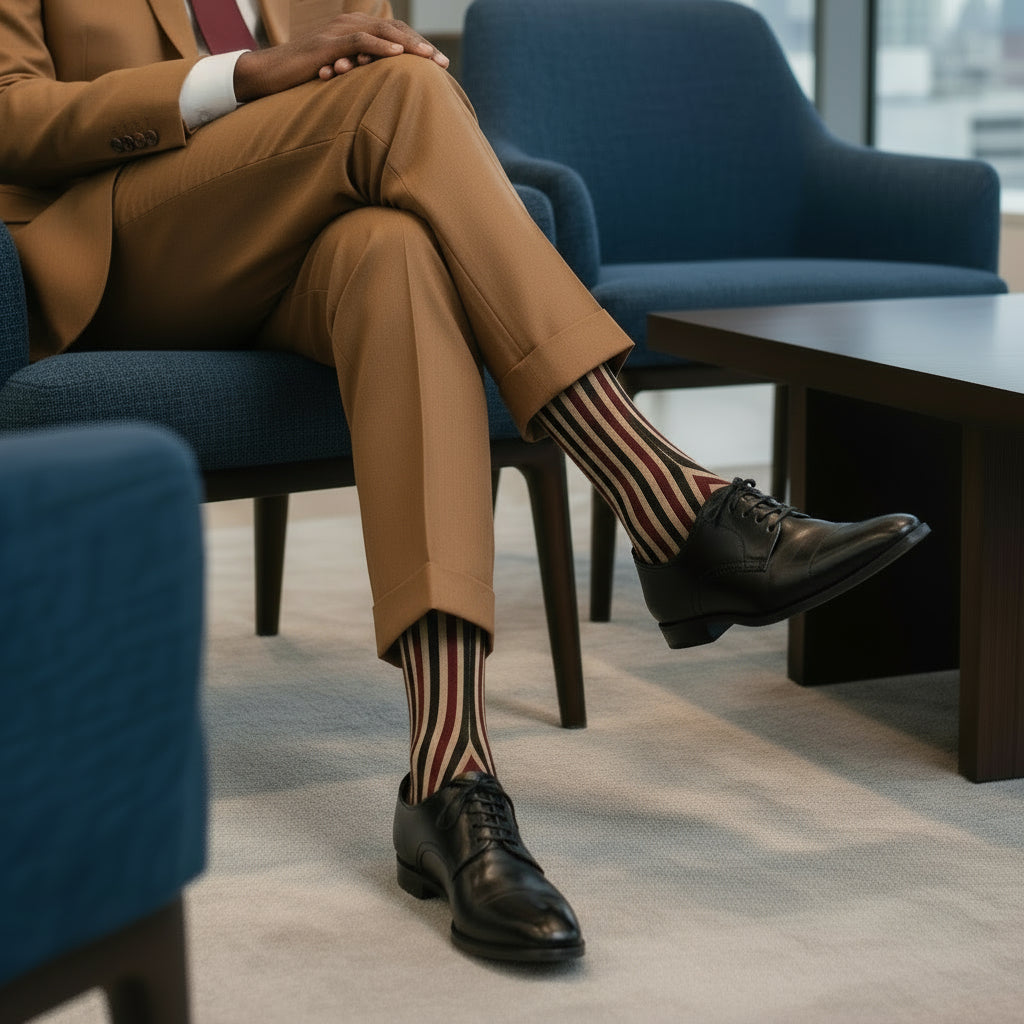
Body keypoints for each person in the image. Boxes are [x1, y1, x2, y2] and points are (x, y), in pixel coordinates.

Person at [0, 0, 929, 964]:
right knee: (402, 92)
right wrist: (244, 77)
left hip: (290, 235)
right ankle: (664, 498)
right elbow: (10, 115)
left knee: (396, 253)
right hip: (118, 251)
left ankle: (449, 775)